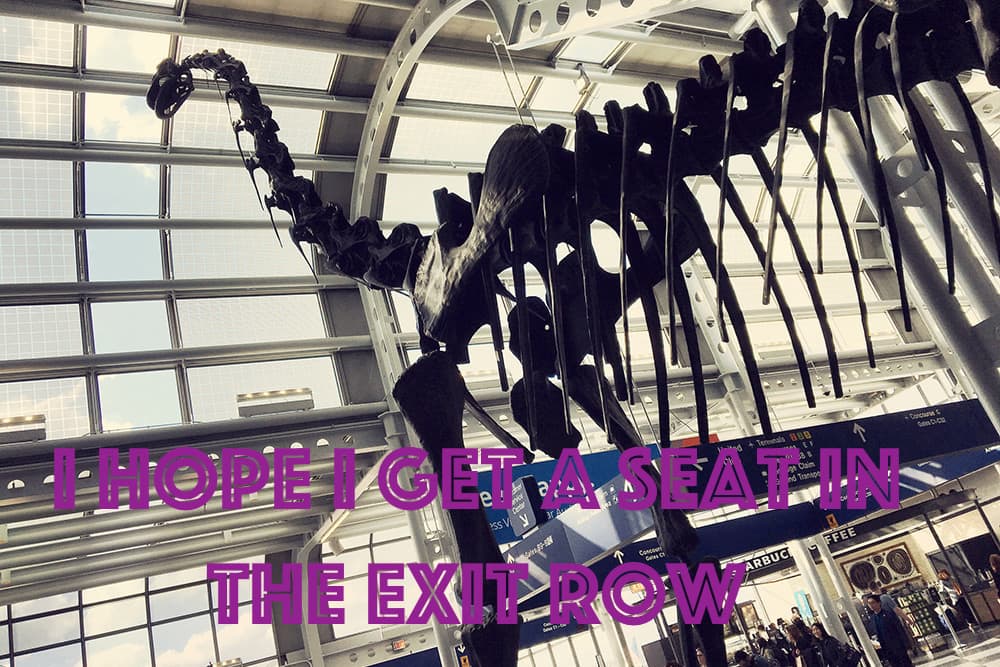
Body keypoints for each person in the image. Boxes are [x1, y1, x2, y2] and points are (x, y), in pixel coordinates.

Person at [866, 594, 913, 667]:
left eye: (873, 602)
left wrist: (905, 644)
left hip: (898, 645)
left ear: (879, 603)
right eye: (869, 603)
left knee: (905, 663)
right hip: (887, 648)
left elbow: (898, 629)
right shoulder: (873, 618)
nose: (871, 605)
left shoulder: (888, 614)